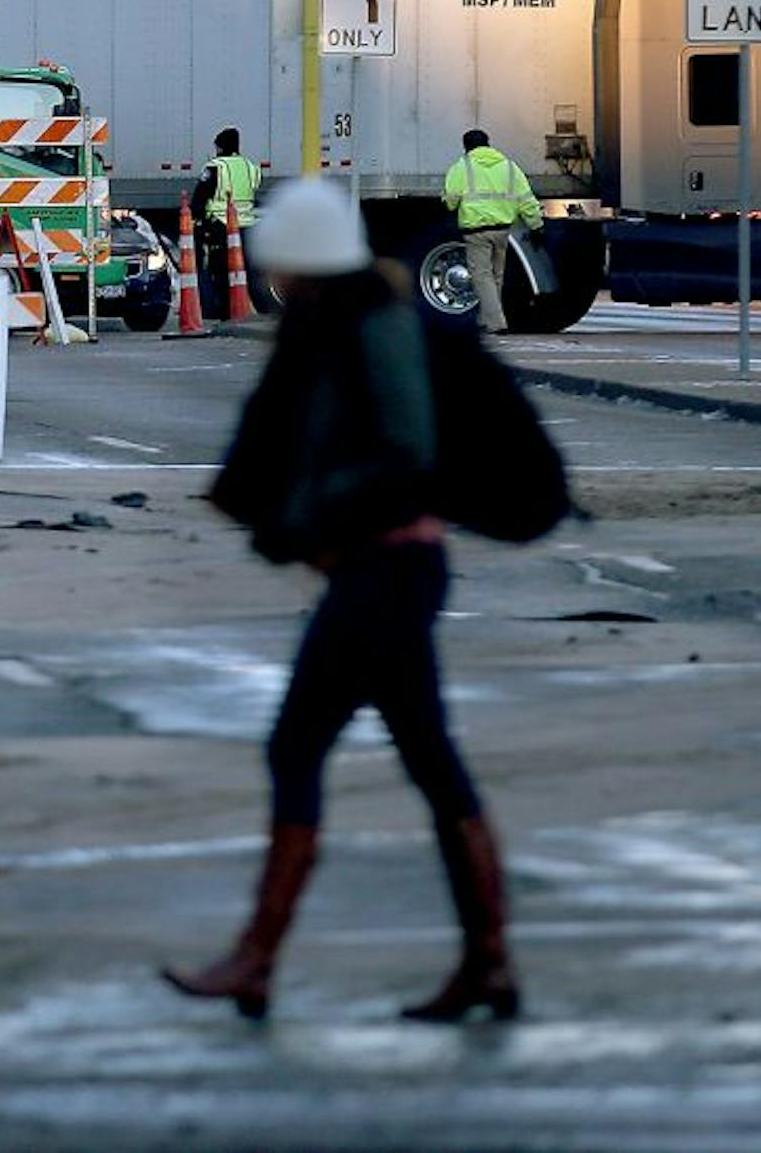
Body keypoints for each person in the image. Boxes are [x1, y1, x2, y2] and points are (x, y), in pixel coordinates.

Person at [161, 177, 519, 1024]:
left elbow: (405, 448)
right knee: (428, 760)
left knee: (302, 747)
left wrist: (308, 516)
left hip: (385, 571)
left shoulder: (375, 324)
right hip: (376, 570)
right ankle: (489, 963)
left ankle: (256, 960)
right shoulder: (328, 324)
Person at [441, 128, 542, 334]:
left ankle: (496, 322)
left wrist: (446, 200)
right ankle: (487, 319)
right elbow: (526, 200)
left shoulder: (462, 167)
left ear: (466, 146)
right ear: (488, 144)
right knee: (496, 276)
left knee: (481, 276)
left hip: (476, 231)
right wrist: (536, 225)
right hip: (503, 230)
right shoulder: (510, 167)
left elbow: (451, 201)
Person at [188, 127, 261, 319]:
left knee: (220, 270)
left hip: (221, 225)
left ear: (219, 147)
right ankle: (249, 308)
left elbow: (200, 197)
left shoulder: (216, 167)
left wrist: (196, 217)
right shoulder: (249, 166)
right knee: (246, 270)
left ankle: (223, 311)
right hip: (247, 225)